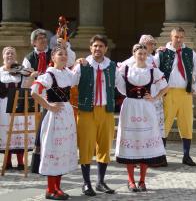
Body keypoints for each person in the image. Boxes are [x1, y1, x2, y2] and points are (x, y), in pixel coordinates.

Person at [115, 44, 168, 192]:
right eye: (140, 53)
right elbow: (117, 84)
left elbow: (166, 86)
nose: (142, 56)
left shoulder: (152, 70)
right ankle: (131, 180)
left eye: (145, 53)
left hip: (146, 108)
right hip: (130, 107)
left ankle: (142, 180)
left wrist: (155, 97)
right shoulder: (125, 69)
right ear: (134, 54)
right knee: (131, 139)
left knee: (146, 140)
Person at [72, 34, 121, 196]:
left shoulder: (112, 66)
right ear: (90, 48)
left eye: (101, 46)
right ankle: (86, 183)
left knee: (105, 146)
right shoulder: (82, 66)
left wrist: (143, 96)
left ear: (106, 49)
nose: (97, 49)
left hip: (106, 111)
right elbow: (70, 82)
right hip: (87, 111)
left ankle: (100, 182)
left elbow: (122, 85)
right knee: (86, 146)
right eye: (95, 46)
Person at [154, 27, 196, 166]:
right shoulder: (162, 53)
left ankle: (186, 156)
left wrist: (195, 86)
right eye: (176, 37)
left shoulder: (189, 52)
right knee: (164, 124)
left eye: (181, 37)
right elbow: (153, 70)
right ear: (171, 37)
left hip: (185, 93)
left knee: (187, 123)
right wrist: (159, 89)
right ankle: (161, 155)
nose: (179, 39)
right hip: (168, 92)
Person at [31, 45, 78, 200]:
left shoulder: (67, 73)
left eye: (65, 54)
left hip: (66, 114)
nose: (63, 56)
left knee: (62, 150)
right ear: (53, 58)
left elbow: (76, 74)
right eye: (60, 54)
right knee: (54, 150)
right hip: (54, 117)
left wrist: (80, 61)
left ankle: (57, 187)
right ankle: (50, 189)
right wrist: (48, 106)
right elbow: (34, 91)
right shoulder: (49, 75)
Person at [0, 47, 37, 170]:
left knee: (19, 131)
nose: (10, 55)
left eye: (12, 53)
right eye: (7, 53)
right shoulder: (0, 71)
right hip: (3, 105)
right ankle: (7, 161)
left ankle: (21, 161)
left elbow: (26, 85)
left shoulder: (20, 71)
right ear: (3, 56)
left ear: (16, 57)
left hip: (18, 105)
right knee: (5, 132)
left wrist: (32, 75)